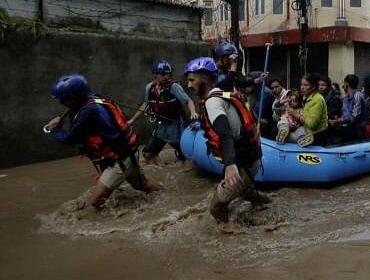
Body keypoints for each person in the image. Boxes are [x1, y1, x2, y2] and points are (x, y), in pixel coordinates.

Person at [43, 74, 162, 209]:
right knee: (142, 185)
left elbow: (70, 138)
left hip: (120, 159)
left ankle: (115, 226)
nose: (61, 102)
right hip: (127, 154)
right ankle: (167, 195)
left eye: (64, 99)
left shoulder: (89, 111)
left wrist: (53, 130)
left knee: (95, 201)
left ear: (76, 96)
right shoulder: (96, 100)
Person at [184, 57, 270, 224]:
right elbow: (230, 79)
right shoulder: (219, 92)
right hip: (249, 158)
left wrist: (230, 165)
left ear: (206, 79)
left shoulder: (212, 102)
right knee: (246, 192)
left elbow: (225, 134)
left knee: (216, 207)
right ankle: (267, 204)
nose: (189, 85)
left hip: (241, 162)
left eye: (191, 80)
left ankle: (230, 236)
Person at [127, 60, 198, 164]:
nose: (166, 77)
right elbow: (145, 104)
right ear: (155, 75)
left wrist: (193, 112)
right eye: (163, 74)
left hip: (176, 128)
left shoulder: (174, 88)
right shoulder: (149, 88)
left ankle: (182, 159)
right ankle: (159, 163)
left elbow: (188, 101)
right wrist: (132, 120)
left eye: (168, 74)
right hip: (161, 128)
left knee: (186, 158)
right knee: (147, 154)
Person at [286, 73, 329, 146]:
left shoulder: (317, 99)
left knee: (287, 136)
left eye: (306, 85)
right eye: (301, 85)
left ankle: (304, 140)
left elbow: (312, 124)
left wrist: (295, 114)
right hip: (305, 129)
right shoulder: (306, 96)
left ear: (313, 87)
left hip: (316, 135)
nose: (302, 87)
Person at [329, 74, 367, 143]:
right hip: (346, 126)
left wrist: (337, 121)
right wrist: (337, 119)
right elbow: (344, 115)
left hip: (356, 128)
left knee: (336, 131)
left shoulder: (357, 96)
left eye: (344, 83)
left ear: (346, 84)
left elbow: (354, 118)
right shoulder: (346, 98)